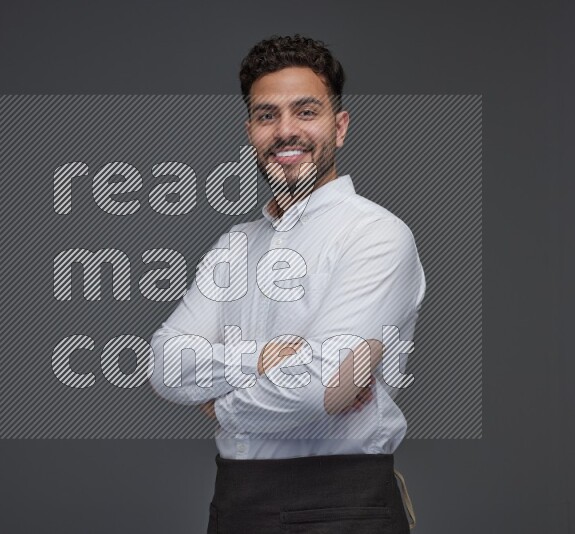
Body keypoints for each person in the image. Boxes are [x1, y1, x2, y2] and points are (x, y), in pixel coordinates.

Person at [149, 34, 425, 533]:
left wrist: (220, 405)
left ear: (339, 127)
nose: (285, 131)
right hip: (236, 503)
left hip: (343, 503)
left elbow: (322, 389)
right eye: (266, 115)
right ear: (250, 131)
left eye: (305, 112)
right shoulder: (235, 245)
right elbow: (164, 363)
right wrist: (258, 360)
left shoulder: (376, 235)